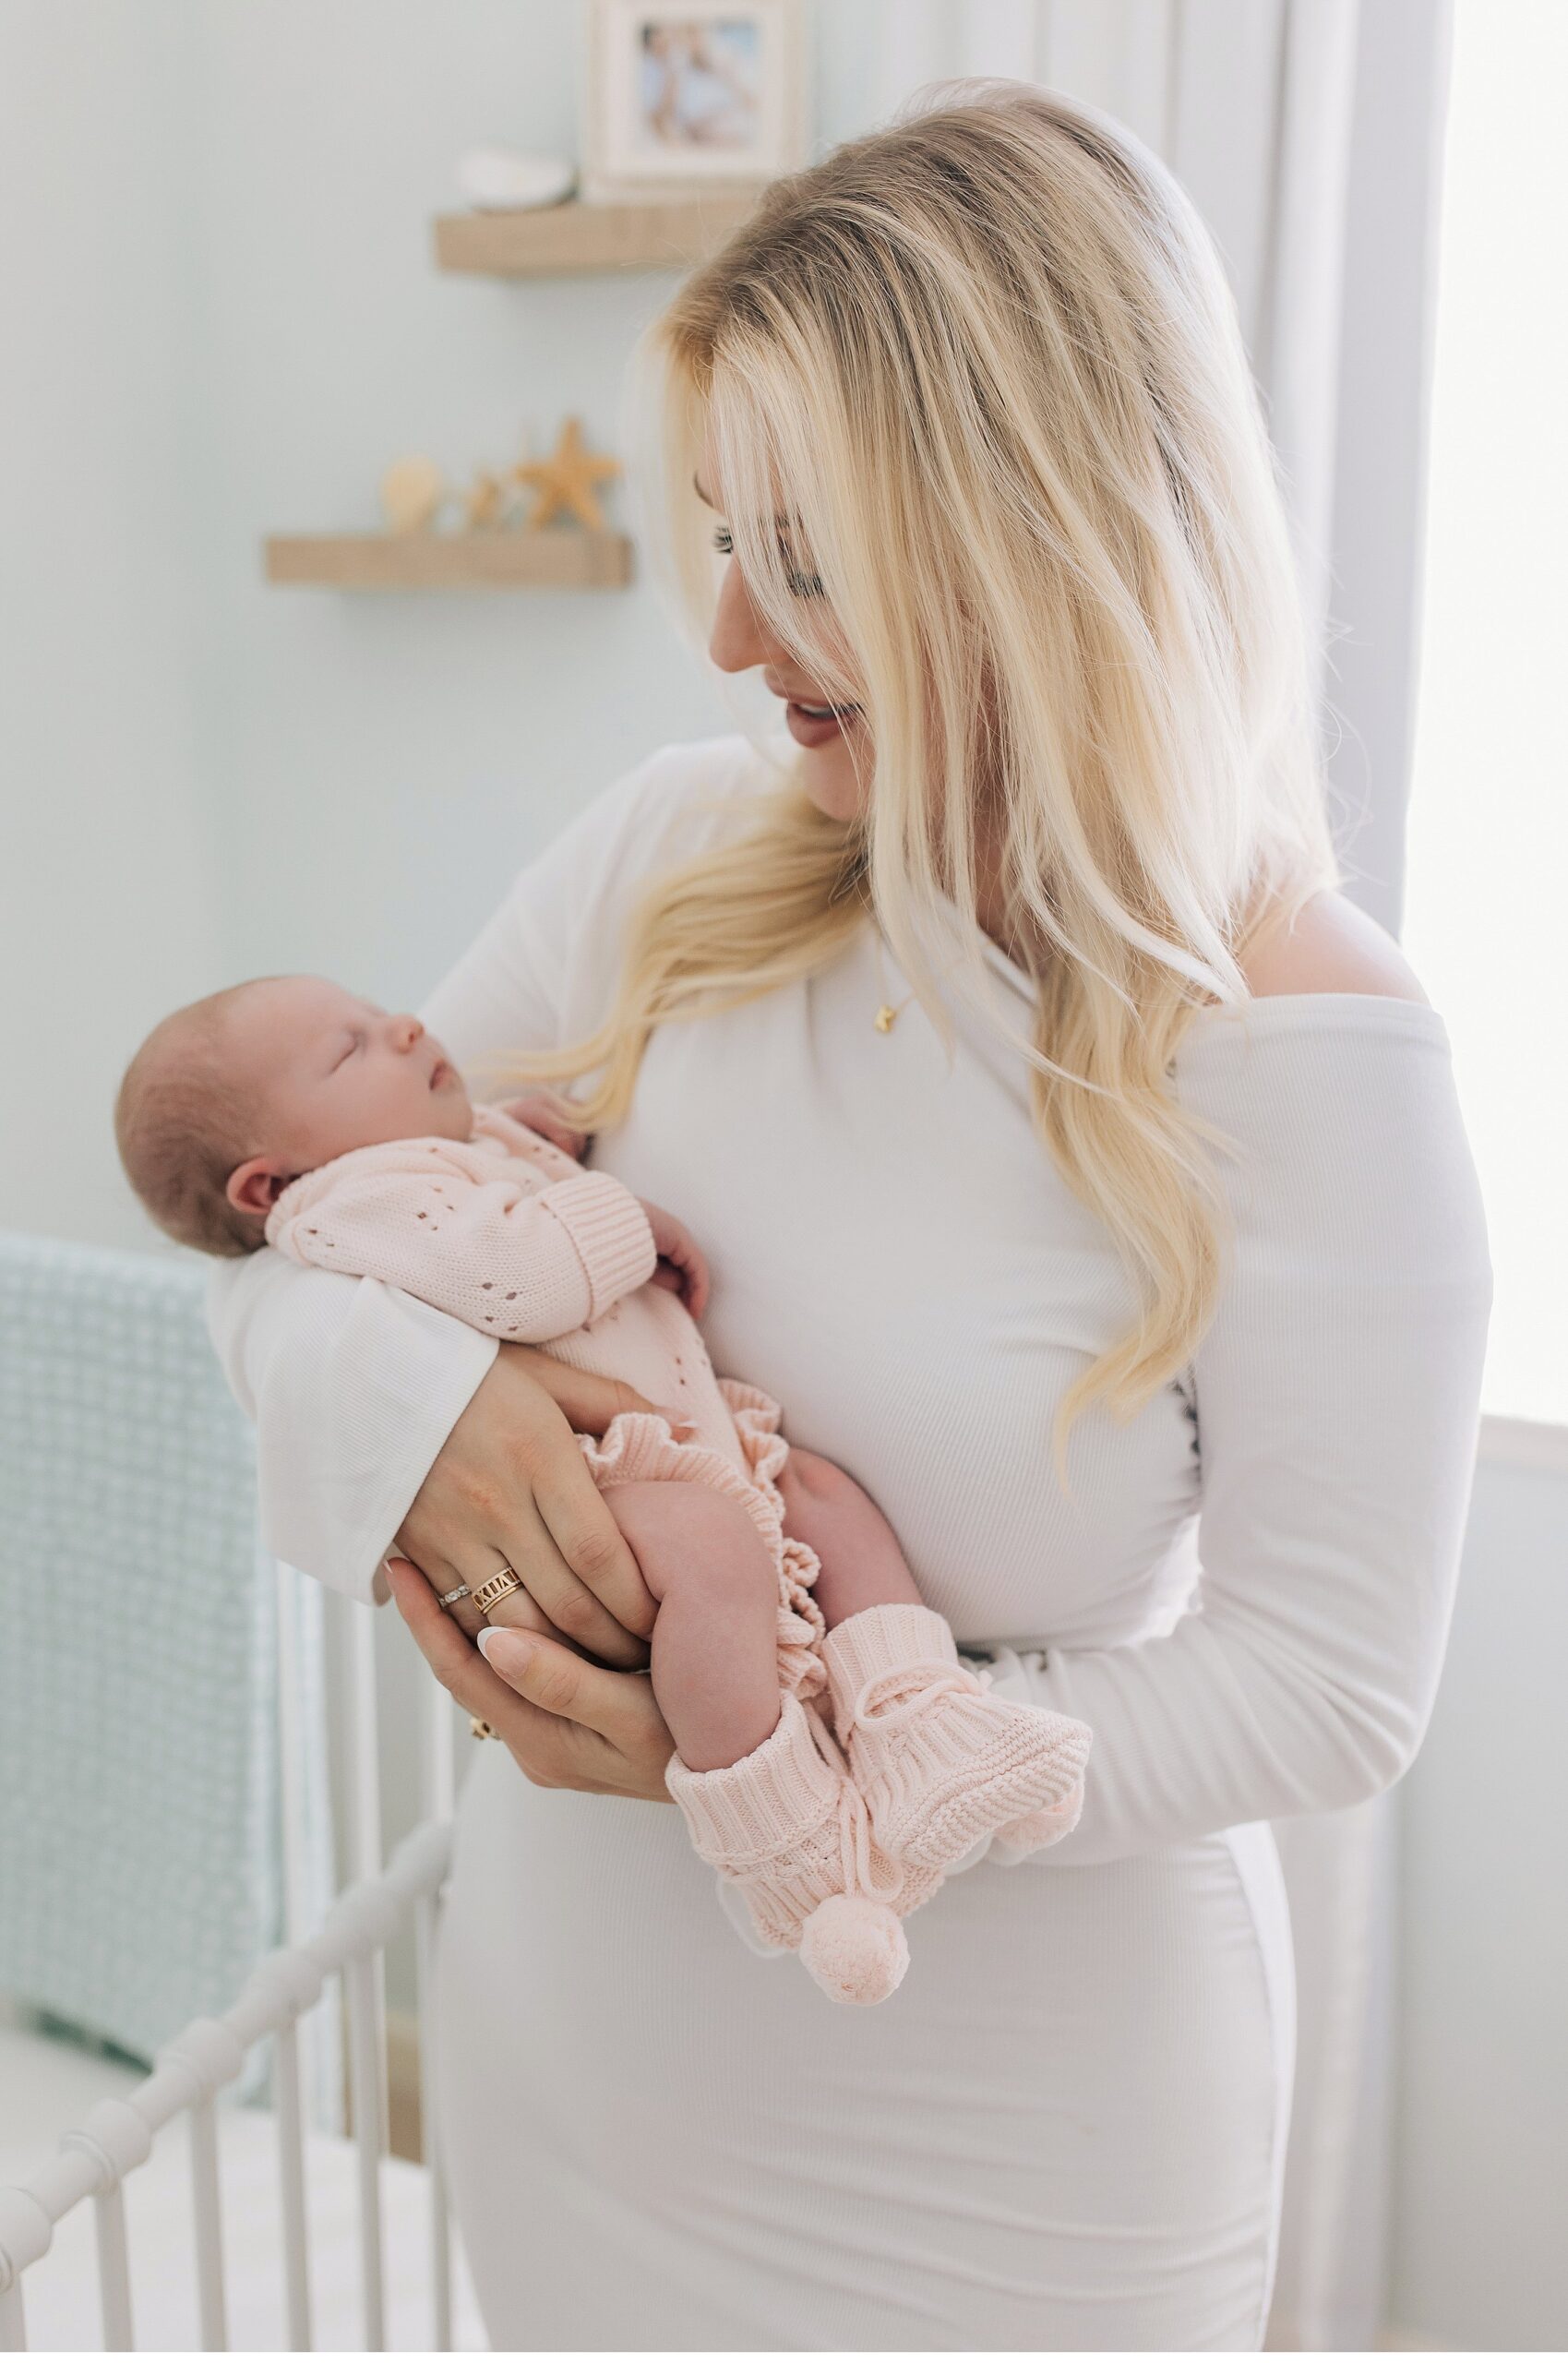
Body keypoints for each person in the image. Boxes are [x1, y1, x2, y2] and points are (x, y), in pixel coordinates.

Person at [207, 81, 1491, 2347]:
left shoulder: (1302, 1042)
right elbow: (284, 1249)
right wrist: (433, 1425)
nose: (724, 631)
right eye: (721, 531)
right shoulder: (666, 858)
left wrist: (836, 1766)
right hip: (590, 2080)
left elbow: (1327, 1690)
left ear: (1033, 549)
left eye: (801, 558)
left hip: (1021, 2154)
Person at [114, 975, 1092, 2004]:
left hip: (691, 1437)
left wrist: (530, 1142)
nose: (402, 1027)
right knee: (711, 1555)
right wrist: (618, 1214)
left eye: (376, 1013)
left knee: (823, 1495)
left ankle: (925, 1725)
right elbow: (518, 1275)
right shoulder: (344, 1201)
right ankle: (793, 1843)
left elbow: (473, 1208)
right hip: (600, 1473)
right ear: (267, 1188)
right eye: (347, 1049)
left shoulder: (425, 1152)